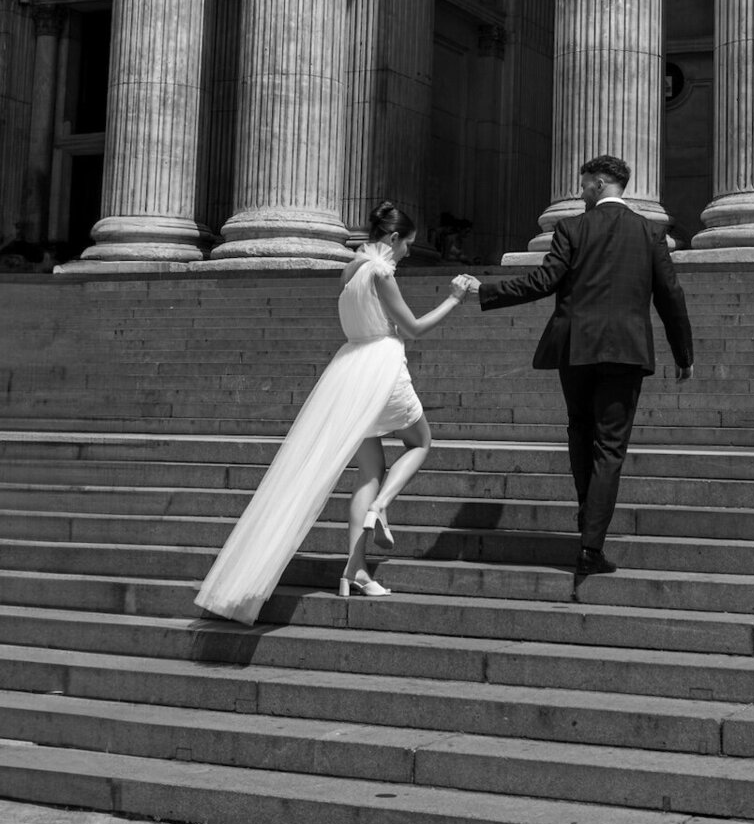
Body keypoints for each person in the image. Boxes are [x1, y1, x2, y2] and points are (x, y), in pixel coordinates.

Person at [195, 201, 476, 625]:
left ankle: (356, 570)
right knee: (421, 442)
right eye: (407, 246)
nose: (407, 254)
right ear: (393, 238)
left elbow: (369, 322)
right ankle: (381, 506)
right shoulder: (381, 273)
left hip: (349, 372)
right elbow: (414, 330)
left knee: (368, 469)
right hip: (382, 369)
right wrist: (455, 298)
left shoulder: (350, 270)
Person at [466, 154, 693, 580]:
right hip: (626, 351)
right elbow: (670, 296)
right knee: (610, 448)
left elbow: (541, 282)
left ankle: (587, 521)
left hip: (576, 350)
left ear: (602, 182)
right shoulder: (650, 232)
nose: (580, 189)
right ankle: (591, 545)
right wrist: (684, 355)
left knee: (580, 433)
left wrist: (486, 291)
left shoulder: (572, 228)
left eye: (585, 182)